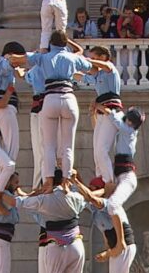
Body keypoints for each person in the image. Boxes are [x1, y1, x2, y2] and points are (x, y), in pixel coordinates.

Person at [8, 31, 113, 193]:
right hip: (69, 98)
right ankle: (65, 181)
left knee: (48, 146)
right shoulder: (72, 57)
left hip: (50, 99)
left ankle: (48, 181)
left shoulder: (43, 58)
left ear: (51, 44)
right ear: (65, 44)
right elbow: (92, 68)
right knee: (67, 146)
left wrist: (10, 59)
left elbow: (21, 59)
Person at [14, 170, 88, 273]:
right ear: (63, 180)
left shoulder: (43, 200)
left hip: (55, 246)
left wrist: (39, 191)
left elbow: (19, 202)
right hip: (76, 244)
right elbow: (87, 198)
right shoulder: (74, 197)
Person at [86, 45, 124, 188]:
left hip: (111, 111)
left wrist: (86, 60)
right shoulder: (98, 75)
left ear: (103, 57)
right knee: (96, 150)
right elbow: (82, 75)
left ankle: (108, 180)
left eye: (94, 58)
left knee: (102, 149)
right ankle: (100, 177)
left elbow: (104, 65)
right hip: (101, 112)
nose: (92, 62)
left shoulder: (110, 69)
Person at [99, 106, 144, 212]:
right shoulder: (127, 129)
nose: (129, 123)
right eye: (129, 120)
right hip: (120, 175)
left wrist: (98, 106)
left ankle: (124, 228)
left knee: (112, 205)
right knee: (110, 206)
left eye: (132, 122)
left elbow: (111, 115)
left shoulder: (127, 130)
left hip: (127, 178)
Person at [0, 41, 25, 174]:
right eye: (17, 58)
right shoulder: (3, 63)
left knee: (8, 146)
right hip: (5, 108)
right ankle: (5, 178)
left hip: (4, 109)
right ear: (10, 55)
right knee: (11, 147)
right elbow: (8, 65)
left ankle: (3, 177)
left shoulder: (0, 64)